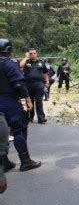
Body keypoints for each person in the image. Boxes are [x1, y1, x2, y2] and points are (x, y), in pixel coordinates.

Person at [0, 39, 42, 172]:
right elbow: (18, 84)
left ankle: (4, 162)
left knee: (2, 132)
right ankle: (25, 161)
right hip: (9, 101)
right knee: (19, 129)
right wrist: (28, 100)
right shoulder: (9, 63)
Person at [20, 48, 48, 124]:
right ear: (29, 54)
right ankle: (30, 117)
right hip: (28, 84)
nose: (32, 55)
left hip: (39, 84)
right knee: (29, 101)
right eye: (31, 53)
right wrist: (26, 57)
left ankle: (41, 118)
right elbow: (20, 65)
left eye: (34, 53)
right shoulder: (26, 62)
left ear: (36, 54)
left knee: (39, 101)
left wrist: (47, 82)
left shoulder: (41, 62)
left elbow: (45, 73)